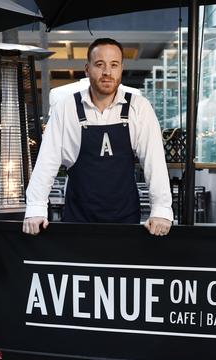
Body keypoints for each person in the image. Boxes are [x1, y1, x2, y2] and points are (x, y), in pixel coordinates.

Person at [23, 38, 173, 236]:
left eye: (114, 65)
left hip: (126, 219)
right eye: (99, 64)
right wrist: (35, 208)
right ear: (87, 69)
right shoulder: (66, 108)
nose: (107, 73)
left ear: (121, 68)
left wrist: (161, 210)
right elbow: (46, 162)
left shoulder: (139, 107)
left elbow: (155, 163)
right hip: (78, 219)